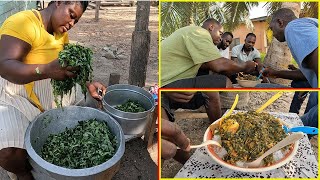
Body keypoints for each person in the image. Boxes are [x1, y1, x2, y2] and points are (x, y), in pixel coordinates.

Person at [0, 2, 106, 179]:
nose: (71, 24)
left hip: (47, 91)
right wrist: (46, 70)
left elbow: (66, 65)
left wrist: (88, 83)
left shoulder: (60, 33)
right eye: (71, 15)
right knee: (7, 152)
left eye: (76, 21)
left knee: (69, 127)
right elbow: (4, 65)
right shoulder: (22, 23)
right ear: (57, 2)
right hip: (16, 94)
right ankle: (23, 173)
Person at [161, 18, 257, 88]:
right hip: (167, 81)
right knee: (224, 82)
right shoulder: (200, 33)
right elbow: (218, 65)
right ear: (211, 27)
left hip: (168, 79)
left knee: (211, 79)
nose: (220, 38)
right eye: (220, 33)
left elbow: (205, 65)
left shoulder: (193, 32)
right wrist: (244, 66)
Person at [263, 8, 318, 129]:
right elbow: (306, 74)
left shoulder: (293, 27)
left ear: (280, 23)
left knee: (296, 128)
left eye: (272, 29)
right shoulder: (307, 24)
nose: (273, 34)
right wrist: (275, 73)